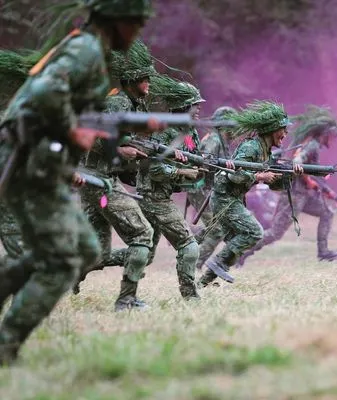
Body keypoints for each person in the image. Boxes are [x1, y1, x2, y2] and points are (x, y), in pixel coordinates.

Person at [0, 0, 154, 365]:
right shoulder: (84, 48)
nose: (137, 33)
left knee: (85, 250)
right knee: (61, 261)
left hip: (42, 163)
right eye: (135, 23)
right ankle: (6, 344)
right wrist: (75, 129)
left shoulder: (88, 49)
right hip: (30, 163)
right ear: (116, 22)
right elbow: (46, 95)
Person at [75, 39, 156, 311]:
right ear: (132, 80)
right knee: (143, 234)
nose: (149, 85)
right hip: (99, 181)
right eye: (145, 80)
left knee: (99, 252)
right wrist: (123, 151)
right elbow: (96, 139)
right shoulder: (117, 104)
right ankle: (126, 300)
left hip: (94, 181)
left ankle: (59, 272)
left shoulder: (130, 105)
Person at [199, 100, 302, 285]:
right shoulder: (251, 147)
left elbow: (275, 186)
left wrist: (290, 175)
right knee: (254, 232)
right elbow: (234, 175)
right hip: (224, 197)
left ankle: (203, 282)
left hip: (234, 199)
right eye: (283, 130)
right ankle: (215, 263)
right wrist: (261, 176)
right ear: (272, 129)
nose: (286, 134)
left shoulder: (266, 153)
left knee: (238, 243)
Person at [238, 105, 337, 266]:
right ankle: (241, 252)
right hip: (294, 196)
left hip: (304, 196)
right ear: (326, 134)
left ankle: (323, 252)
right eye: (332, 136)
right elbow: (298, 161)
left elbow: (310, 172)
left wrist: (321, 188)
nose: (333, 140)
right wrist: (309, 181)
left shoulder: (313, 144)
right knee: (274, 233)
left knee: (327, 213)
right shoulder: (312, 145)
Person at [134, 76, 203, 299]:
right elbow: (154, 170)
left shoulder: (189, 133)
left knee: (144, 254)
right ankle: (191, 297)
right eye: (195, 105)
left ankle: (94, 260)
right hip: (153, 196)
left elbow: (199, 161)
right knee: (188, 244)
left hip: (160, 196)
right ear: (183, 107)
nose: (199, 110)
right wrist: (182, 172)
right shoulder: (165, 133)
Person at [182, 106, 240, 287]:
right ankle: (194, 266)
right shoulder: (213, 141)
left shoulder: (222, 141)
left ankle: (188, 244)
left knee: (215, 229)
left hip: (208, 190)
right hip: (200, 189)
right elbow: (202, 165)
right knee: (217, 229)